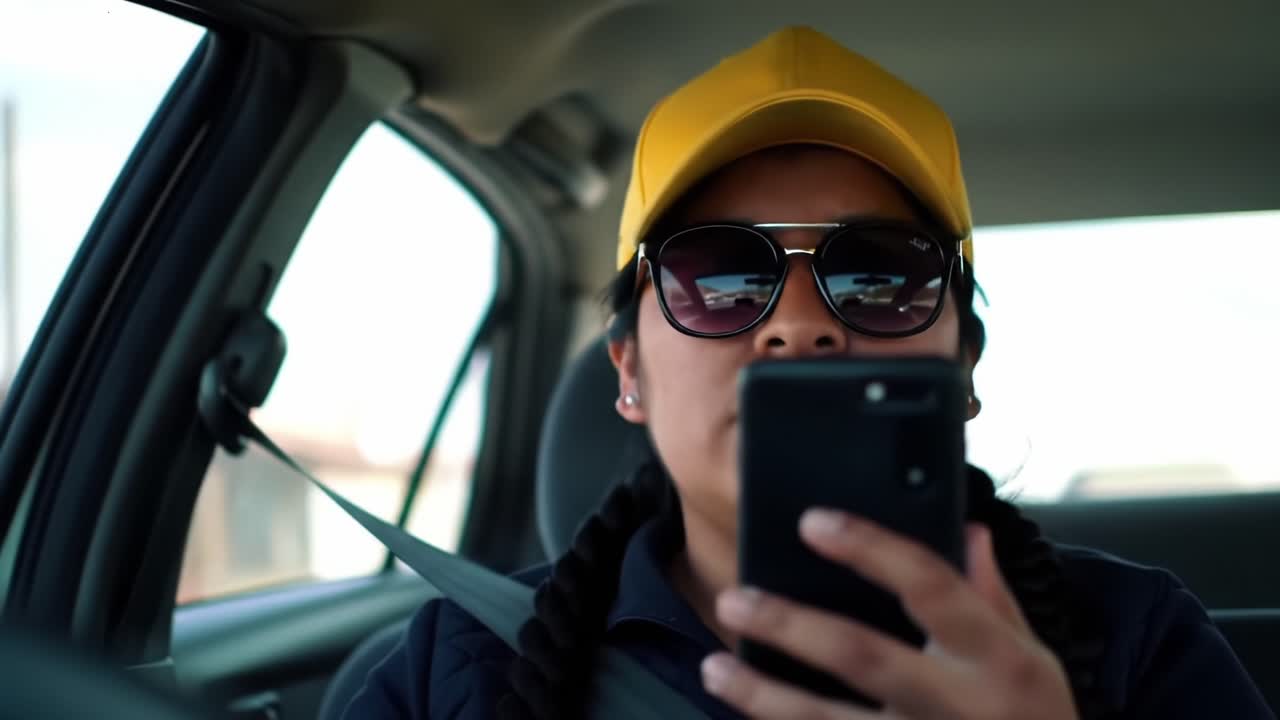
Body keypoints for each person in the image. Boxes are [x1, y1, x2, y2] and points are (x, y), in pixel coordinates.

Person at [343, 26, 1271, 719]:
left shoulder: (1139, 640)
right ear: (628, 373)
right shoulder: (455, 665)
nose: (798, 324)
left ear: (964, 369)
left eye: (880, 275)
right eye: (720, 276)